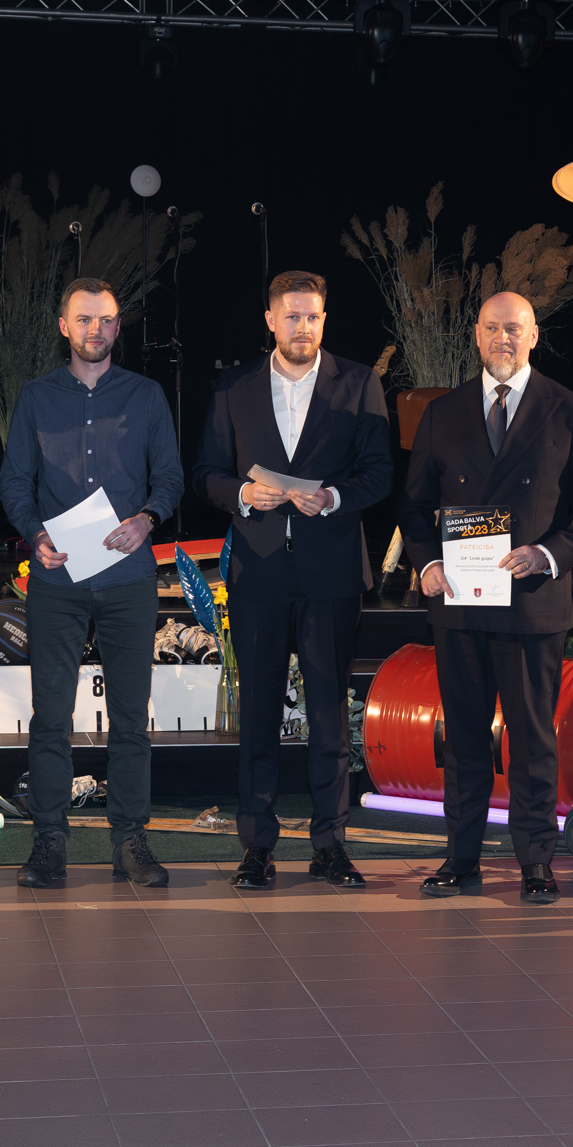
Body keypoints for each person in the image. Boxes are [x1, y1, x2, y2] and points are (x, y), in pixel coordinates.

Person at [397, 291, 573, 903]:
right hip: (461, 601)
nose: (503, 339)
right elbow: (413, 505)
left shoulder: (568, 409)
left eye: (514, 328)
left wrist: (547, 553)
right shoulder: (442, 413)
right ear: (476, 335)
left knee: (532, 739)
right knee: (463, 739)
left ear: (534, 336)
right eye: (492, 328)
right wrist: (428, 561)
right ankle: (461, 857)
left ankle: (536, 860)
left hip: (531, 602)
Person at [191, 271, 393, 889]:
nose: (303, 327)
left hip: (330, 572)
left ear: (324, 320)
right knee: (257, 715)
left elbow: (380, 472)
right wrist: (241, 494)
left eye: (313, 317)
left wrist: (333, 497)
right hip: (257, 573)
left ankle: (331, 844)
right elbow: (206, 472)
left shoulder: (358, 383)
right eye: (292, 316)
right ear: (270, 320)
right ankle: (257, 845)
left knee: (330, 716)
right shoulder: (235, 386)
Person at [0, 277, 184, 889]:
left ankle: (130, 840)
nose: (95, 330)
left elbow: (171, 477)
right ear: (64, 326)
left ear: (117, 327)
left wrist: (147, 519)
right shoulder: (36, 398)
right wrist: (35, 535)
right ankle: (49, 842)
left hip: (129, 578)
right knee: (50, 717)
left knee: (130, 719)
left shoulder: (146, 396)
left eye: (105, 320)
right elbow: (14, 483)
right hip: (57, 579)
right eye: (84, 319)